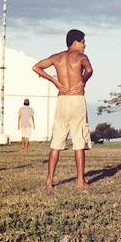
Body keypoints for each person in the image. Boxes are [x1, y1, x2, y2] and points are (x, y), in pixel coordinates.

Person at [32, 29, 93, 189]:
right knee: (79, 141)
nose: (85, 45)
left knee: (56, 142)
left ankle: (49, 181)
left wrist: (54, 81)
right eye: (83, 42)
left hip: (62, 100)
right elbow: (90, 70)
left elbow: (36, 67)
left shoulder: (57, 57)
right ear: (76, 42)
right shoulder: (81, 57)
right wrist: (83, 81)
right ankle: (80, 181)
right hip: (77, 99)